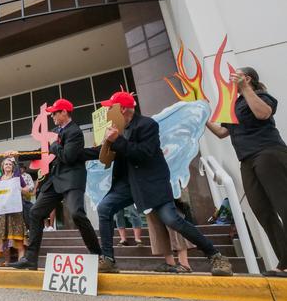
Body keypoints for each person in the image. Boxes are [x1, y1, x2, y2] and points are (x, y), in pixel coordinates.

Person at [84, 90, 232, 275]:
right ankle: (108, 259)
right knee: (104, 208)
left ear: (121, 109)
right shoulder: (119, 129)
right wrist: (79, 153)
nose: (107, 112)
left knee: (172, 220)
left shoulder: (147, 125)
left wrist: (118, 140)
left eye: (110, 107)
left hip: (151, 183)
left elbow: (143, 153)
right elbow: (106, 152)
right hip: (128, 184)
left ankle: (216, 256)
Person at [206, 67, 287, 277]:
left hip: (268, 153)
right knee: (262, 210)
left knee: (283, 205)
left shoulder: (261, 96)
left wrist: (245, 88)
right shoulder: (232, 105)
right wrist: (204, 118)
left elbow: (264, 113)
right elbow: (223, 132)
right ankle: (285, 262)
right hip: (247, 161)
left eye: (237, 75)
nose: (231, 78)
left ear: (248, 78)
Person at [9, 99, 102, 270]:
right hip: (55, 180)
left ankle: (98, 255)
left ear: (64, 112)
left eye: (55, 113)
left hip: (72, 178)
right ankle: (31, 259)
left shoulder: (75, 132)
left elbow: (68, 157)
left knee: (76, 213)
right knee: (36, 213)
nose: (52, 116)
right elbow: (43, 152)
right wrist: (19, 154)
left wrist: (54, 146)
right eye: (51, 113)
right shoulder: (56, 132)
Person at [0, 158, 29, 266]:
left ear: (12, 166)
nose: (8, 165)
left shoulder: (17, 177)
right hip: (2, 213)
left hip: (15, 211)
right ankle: (7, 261)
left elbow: (26, 189)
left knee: (17, 234)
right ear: (2, 167)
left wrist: (20, 189)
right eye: (6, 164)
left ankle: (20, 262)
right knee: (4, 237)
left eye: (10, 164)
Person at [147, 200, 195, 273]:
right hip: (145, 195)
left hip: (165, 192)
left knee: (174, 221)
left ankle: (184, 264)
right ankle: (170, 263)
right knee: (157, 226)